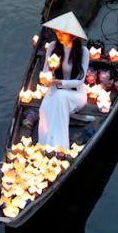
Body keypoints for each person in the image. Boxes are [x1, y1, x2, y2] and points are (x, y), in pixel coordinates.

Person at [37, 12, 90, 150]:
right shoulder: (53, 47)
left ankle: (60, 147)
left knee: (60, 97)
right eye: (57, 33)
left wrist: (59, 82)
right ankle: (45, 144)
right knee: (45, 108)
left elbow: (80, 81)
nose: (59, 36)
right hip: (55, 90)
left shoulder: (83, 52)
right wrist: (49, 73)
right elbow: (44, 73)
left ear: (72, 35)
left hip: (75, 94)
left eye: (62, 33)